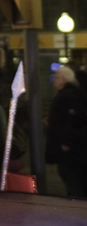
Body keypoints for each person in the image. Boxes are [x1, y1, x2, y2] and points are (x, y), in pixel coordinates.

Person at [45, 64, 87, 197]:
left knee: (71, 178)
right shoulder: (70, 94)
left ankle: (76, 205)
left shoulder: (68, 96)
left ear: (63, 79)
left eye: (56, 77)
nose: (54, 80)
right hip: (73, 149)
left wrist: (66, 143)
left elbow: (74, 120)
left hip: (70, 150)